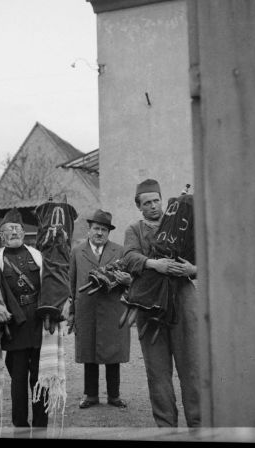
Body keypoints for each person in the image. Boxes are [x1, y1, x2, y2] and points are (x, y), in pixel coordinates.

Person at [123, 179, 200, 427]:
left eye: (157, 200)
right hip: (149, 302)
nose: (154, 206)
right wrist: (154, 264)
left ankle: (198, 425)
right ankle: (166, 430)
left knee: (192, 367)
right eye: (147, 203)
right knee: (158, 372)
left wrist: (192, 268)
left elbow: (205, 256)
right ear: (139, 206)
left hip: (183, 298)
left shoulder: (182, 222)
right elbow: (129, 257)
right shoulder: (134, 230)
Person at [0, 207, 48, 429]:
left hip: (37, 321)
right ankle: (20, 425)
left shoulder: (38, 256)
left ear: (24, 233)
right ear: (2, 235)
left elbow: (52, 285)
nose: (14, 233)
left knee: (39, 374)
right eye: (9, 230)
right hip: (13, 324)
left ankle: (41, 425)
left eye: (17, 229)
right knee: (17, 376)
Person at [69, 209, 131, 409]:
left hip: (113, 309)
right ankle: (91, 395)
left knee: (113, 353)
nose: (99, 233)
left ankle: (114, 396)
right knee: (89, 353)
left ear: (108, 233)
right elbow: (72, 282)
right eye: (96, 228)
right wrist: (72, 309)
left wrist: (125, 282)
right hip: (86, 309)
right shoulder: (77, 251)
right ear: (89, 230)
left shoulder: (120, 251)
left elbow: (130, 282)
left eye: (104, 230)